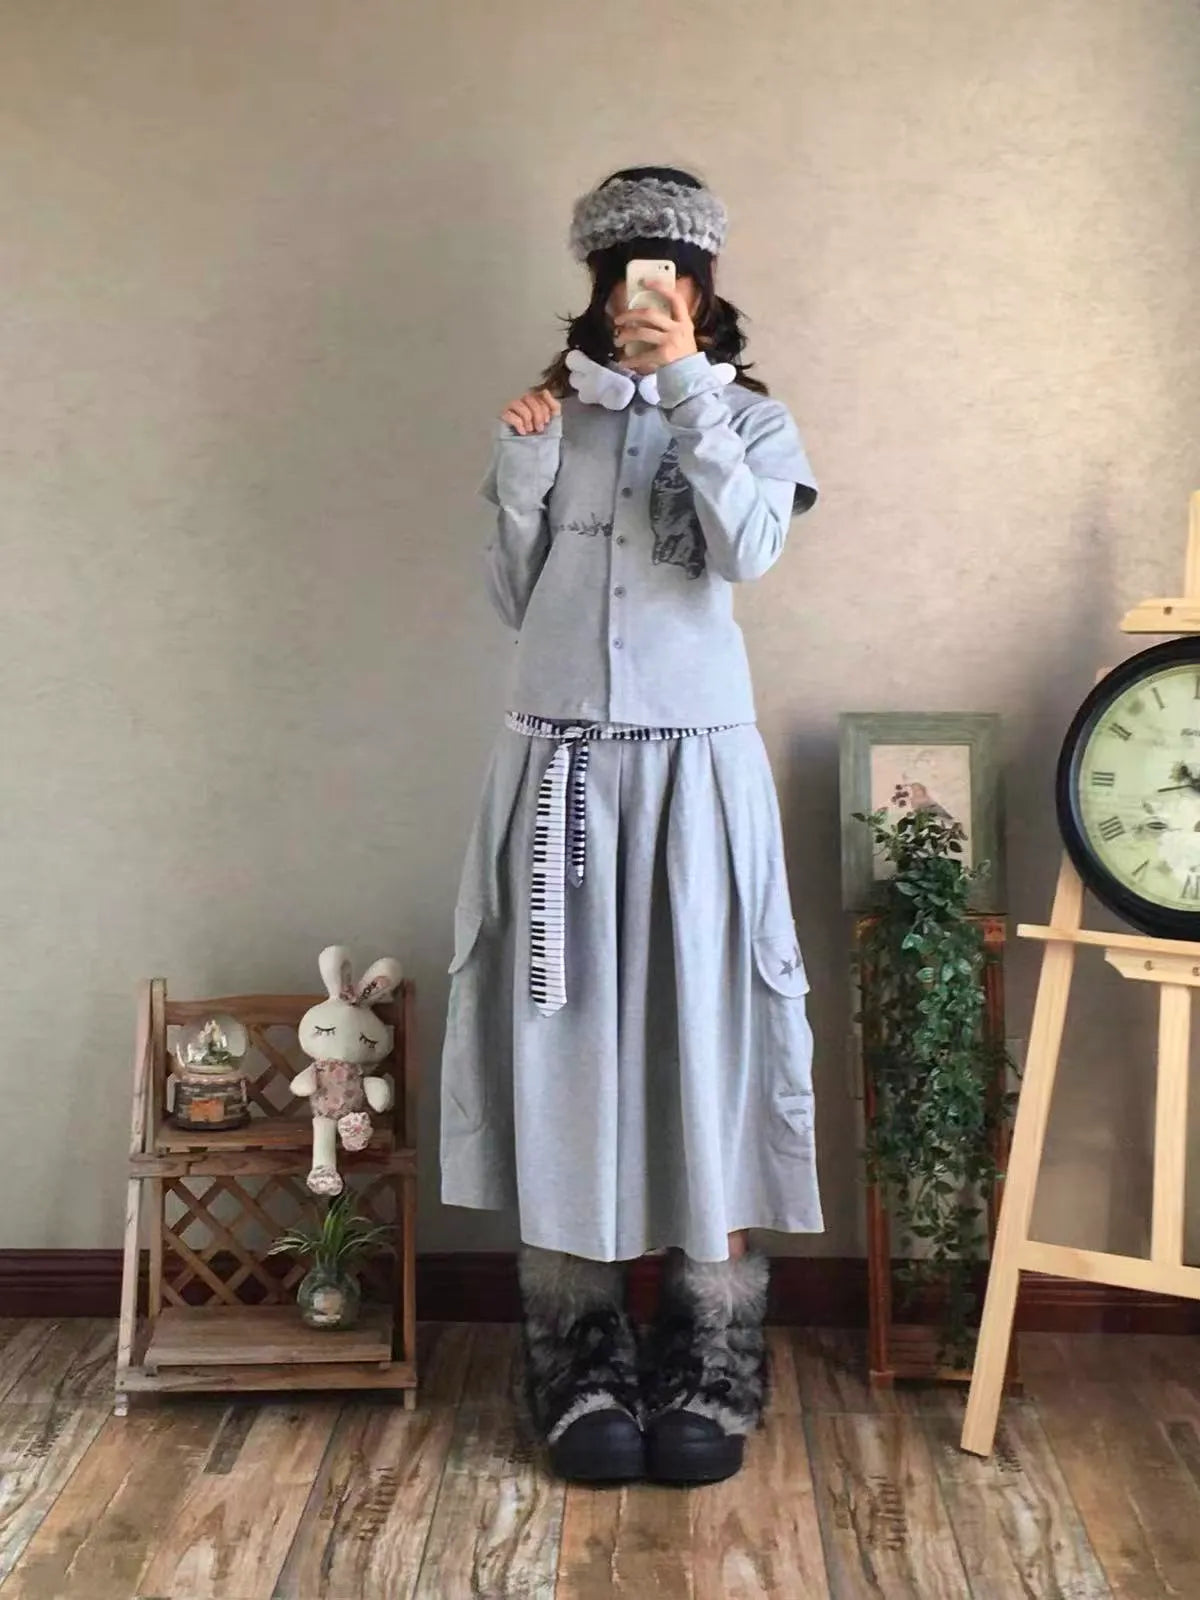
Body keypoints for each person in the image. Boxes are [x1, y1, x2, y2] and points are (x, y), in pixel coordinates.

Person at [441, 166, 823, 1486]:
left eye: (665, 276)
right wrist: (524, 463)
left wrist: (691, 398)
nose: (639, 298)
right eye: (620, 278)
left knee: (707, 1042)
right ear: (597, 290)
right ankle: (576, 1358)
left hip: (694, 780)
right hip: (557, 773)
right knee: (566, 1050)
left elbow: (747, 553)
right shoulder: (557, 413)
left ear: (702, 291)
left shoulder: (752, 417)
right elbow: (512, 596)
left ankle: (711, 1356)